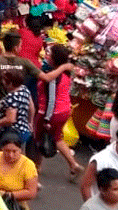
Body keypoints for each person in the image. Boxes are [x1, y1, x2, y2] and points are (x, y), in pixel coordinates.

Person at [0, 32, 73, 123]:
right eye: (20, 46)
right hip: (15, 107)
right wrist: (64, 67)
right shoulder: (25, 63)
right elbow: (47, 78)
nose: (21, 48)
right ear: (16, 48)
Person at [34, 44, 83, 178]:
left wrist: (46, 119)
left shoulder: (53, 77)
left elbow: (51, 99)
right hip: (64, 110)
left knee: (39, 138)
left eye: (50, 55)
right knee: (57, 138)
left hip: (50, 112)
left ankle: (36, 167)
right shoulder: (66, 73)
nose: (47, 56)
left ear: (55, 59)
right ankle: (73, 164)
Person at [0, 132, 39, 209]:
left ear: (20, 150)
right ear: (2, 149)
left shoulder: (28, 165)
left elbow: (31, 192)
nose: (10, 155)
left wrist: (7, 195)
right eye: (7, 151)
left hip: (15, 205)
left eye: (14, 151)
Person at [0, 69, 35, 145]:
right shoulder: (24, 89)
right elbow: (31, 108)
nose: (2, 82)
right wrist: (30, 122)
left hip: (13, 133)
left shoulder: (12, 98)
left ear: (10, 83)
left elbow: (10, 119)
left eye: (4, 80)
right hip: (25, 130)